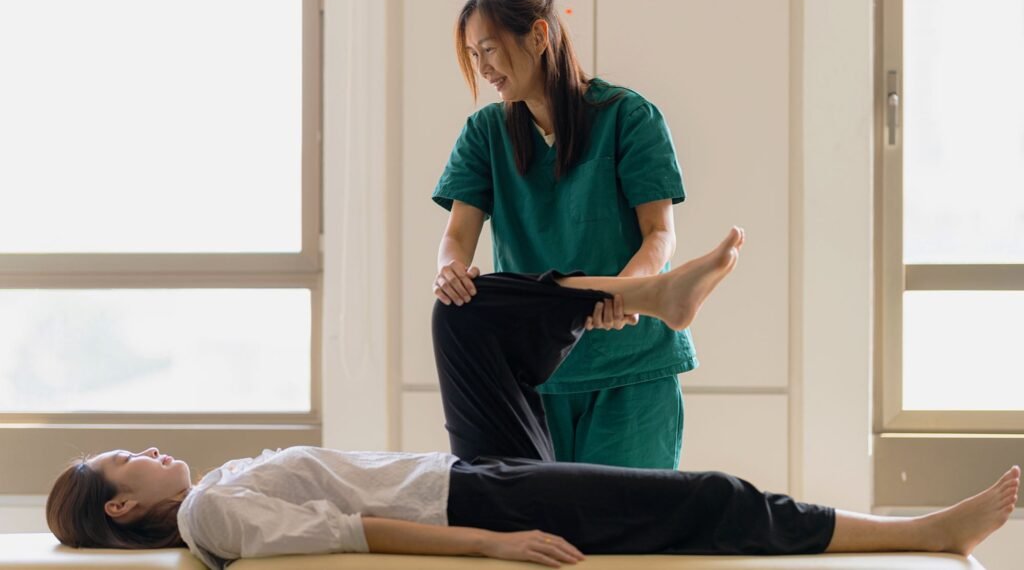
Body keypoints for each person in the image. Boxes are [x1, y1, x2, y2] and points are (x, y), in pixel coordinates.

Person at [46, 229, 1020, 569]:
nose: (145, 449)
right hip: (477, 499)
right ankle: (921, 532)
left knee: (461, 313)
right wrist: (491, 542)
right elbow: (356, 531)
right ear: (121, 507)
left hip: (469, 471)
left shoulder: (216, 494)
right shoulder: (210, 514)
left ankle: (645, 297)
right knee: (711, 498)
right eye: (125, 461)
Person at [433, 0, 694, 469]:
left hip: (630, 365)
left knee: (626, 516)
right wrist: (450, 269)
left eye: (488, 49)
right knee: (544, 519)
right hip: (538, 371)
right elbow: (457, 235)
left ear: (538, 35)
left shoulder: (628, 117)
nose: (482, 68)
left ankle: (653, 294)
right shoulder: (485, 133)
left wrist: (625, 293)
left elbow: (659, 234)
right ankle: (664, 294)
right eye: (472, 55)